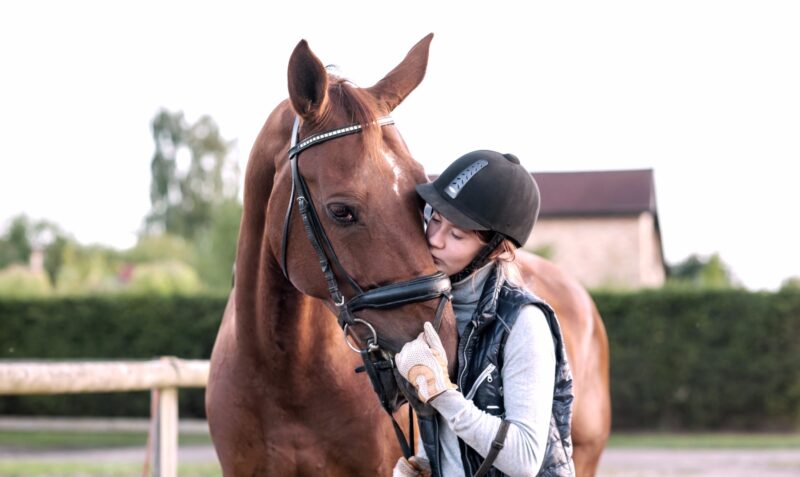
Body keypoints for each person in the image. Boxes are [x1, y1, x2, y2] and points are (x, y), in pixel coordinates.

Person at [392, 150, 575, 477]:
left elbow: (524, 459)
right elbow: (448, 427)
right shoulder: (434, 310)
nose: (434, 240)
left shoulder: (524, 322)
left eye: (457, 235)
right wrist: (428, 462)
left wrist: (441, 393)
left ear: (497, 250)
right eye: (435, 219)